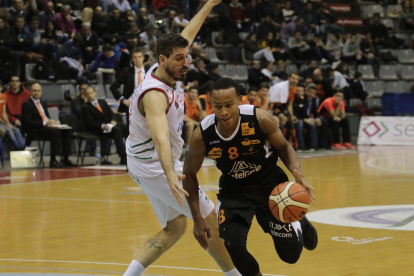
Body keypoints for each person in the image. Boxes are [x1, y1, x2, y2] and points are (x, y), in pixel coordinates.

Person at [123, 0, 241, 275]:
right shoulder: (155, 95)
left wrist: (209, 4)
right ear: (163, 60)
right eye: (180, 58)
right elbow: (162, 140)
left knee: (175, 227)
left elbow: (188, 34)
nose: (186, 62)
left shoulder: (162, 66)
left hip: (142, 162)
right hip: (156, 166)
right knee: (212, 222)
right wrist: (172, 177)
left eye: (186, 57)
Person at [182, 78, 317, 276]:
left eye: (229, 105)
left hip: (270, 186)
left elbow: (284, 148)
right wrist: (197, 219)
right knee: (232, 243)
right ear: (211, 104)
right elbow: (189, 175)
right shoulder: (201, 134)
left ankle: (298, 221)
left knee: (290, 256)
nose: (224, 111)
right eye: (218, 106)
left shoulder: (260, 119)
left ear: (239, 100)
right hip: (234, 190)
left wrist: (299, 175)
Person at [21, 83, 74, 168]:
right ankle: (53, 160)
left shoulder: (43, 103)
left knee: (66, 130)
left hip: (46, 127)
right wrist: (45, 123)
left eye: (38, 91)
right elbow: (28, 122)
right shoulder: (27, 104)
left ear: (41, 92)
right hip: (35, 129)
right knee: (55, 132)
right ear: (30, 92)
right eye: (34, 91)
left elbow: (46, 117)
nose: (36, 92)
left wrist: (54, 122)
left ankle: (66, 159)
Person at [82, 86, 128, 165]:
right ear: (85, 96)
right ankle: (123, 156)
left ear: (95, 93)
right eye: (87, 94)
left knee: (126, 128)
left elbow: (111, 114)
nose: (90, 95)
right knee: (117, 130)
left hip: (109, 125)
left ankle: (132, 153)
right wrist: (103, 126)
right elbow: (90, 123)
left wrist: (113, 120)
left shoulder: (102, 102)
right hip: (98, 128)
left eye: (91, 93)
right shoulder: (85, 107)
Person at [110, 47, 147, 126]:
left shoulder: (150, 71)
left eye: (139, 57)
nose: (137, 59)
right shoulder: (127, 72)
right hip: (131, 104)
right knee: (131, 130)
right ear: (132, 59)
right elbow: (113, 86)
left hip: (148, 104)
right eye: (135, 57)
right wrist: (123, 99)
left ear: (143, 58)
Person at [0, 84, 25, 150]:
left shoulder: (3, 96)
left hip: (2, 121)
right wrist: (7, 125)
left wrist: (8, 124)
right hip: (0, 121)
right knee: (9, 130)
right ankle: (19, 147)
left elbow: (3, 113)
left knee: (16, 129)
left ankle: (23, 146)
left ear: (1, 88)